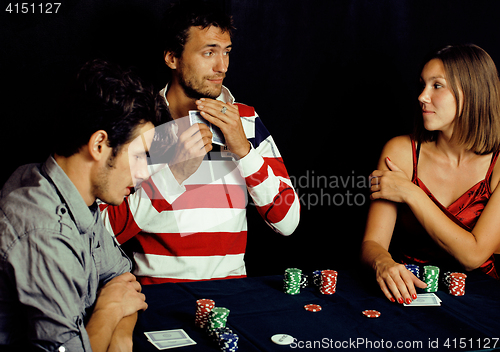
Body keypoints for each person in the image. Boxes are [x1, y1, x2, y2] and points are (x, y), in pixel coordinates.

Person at [100, 0, 301, 284]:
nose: (222, 67)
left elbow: (287, 221)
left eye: (226, 53)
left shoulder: (246, 120)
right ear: (172, 58)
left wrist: (243, 150)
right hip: (156, 299)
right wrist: (173, 173)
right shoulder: (137, 124)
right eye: (209, 52)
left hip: (233, 298)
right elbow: (103, 230)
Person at [0, 58, 164, 351]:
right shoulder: (44, 232)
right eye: (139, 156)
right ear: (99, 145)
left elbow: (123, 282)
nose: (144, 173)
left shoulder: (74, 195)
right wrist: (108, 311)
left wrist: (121, 339)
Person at [362, 44, 500, 306]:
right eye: (423, 85)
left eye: (437, 86)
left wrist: (411, 192)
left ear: (472, 93)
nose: (422, 96)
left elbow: (474, 255)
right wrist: (382, 262)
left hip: (484, 301)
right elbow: (373, 242)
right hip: (411, 294)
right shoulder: (400, 152)